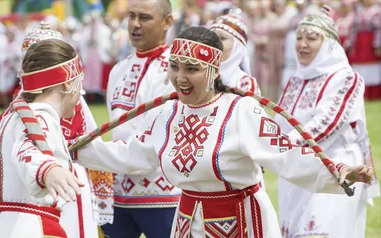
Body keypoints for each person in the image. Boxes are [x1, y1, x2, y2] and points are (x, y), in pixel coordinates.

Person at [71, 26, 375, 238]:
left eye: (191, 69)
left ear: (214, 70)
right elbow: (132, 154)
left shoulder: (240, 110)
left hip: (242, 222)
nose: (179, 78)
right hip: (188, 222)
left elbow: (285, 154)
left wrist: (339, 170)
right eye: (174, 67)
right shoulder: (169, 112)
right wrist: (77, 150)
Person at [275, 5, 380, 238]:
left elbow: (328, 124)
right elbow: (279, 119)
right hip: (297, 167)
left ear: (329, 45)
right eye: (299, 38)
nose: (302, 44)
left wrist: (278, 147)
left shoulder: (346, 78)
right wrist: (266, 144)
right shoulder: (295, 80)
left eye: (311, 38)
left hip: (337, 167)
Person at [0, 21, 100, 238]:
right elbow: (26, 150)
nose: (81, 93)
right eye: (80, 83)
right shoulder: (39, 115)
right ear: (68, 84)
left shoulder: (13, 113)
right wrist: (48, 170)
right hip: (28, 227)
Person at [101, 0, 180, 237]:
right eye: (131, 16)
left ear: (167, 22)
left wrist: (98, 155)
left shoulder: (177, 71)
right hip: (117, 195)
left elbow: (158, 135)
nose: (135, 25)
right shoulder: (119, 70)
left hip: (163, 195)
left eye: (145, 18)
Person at [209, 8, 261, 95]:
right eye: (213, 37)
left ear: (237, 48)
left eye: (222, 38)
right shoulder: (199, 74)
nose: (215, 42)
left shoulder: (245, 84)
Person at [348, 0, 381, 100]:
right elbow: (353, 29)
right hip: (360, 42)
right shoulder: (359, 11)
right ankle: (362, 91)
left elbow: (379, 29)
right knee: (360, 66)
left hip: (371, 41)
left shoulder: (377, 11)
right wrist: (351, 44)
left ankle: (373, 93)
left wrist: (378, 44)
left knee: (372, 65)